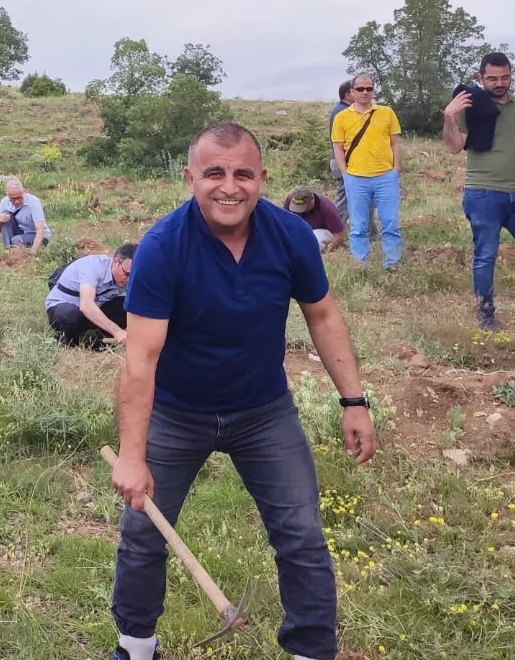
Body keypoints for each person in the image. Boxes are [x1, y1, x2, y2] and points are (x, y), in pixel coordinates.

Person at [109, 122, 376, 660]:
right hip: (176, 413)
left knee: (301, 534)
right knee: (142, 535)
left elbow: (322, 315)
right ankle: (136, 649)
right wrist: (133, 457)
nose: (229, 187)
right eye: (214, 173)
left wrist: (353, 400)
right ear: (190, 179)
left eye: (243, 174)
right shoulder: (163, 248)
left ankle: (310, 651)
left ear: (262, 179)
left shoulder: (291, 236)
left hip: (263, 411)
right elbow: (139, 360)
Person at [442, 51, 515, 330]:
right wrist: (450, 116)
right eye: (492, 78)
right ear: (480, 78)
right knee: (486, 255)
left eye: (505, 77)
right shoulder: (469, 108)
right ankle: (486, 315)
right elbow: (453, 147)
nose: (499, 83)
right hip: (484, 194)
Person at [331, 74, 402, 269]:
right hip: (356, 178)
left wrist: (396, 169)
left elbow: (395, 142)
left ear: (373, 91)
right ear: (352, 92)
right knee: (358, 226)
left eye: (368, 89)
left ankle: (392, 264)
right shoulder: (341, 117)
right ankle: (360, 264)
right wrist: (345, 174)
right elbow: (338, 147)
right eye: (360, 89)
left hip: (385, 177)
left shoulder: (386, 112)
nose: (365, 92)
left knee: (390, 223)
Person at [46, 245, 137, 348]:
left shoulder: (128, 276)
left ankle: (94, 337)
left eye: (134, 275)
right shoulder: (92, 266)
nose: (129, 279)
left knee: (129, 307)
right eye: (127, 274)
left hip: (95, 310)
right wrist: (117, 331)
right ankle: (73, 339)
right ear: (116, 261)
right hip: (64, 307)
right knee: (71, 316)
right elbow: (86, 305)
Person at [0, 178, 50, 252]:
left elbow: (40, 230)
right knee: (5, 217)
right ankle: (9, 251)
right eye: (13, 199)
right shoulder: (4, 202)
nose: (17, 201)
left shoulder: (33, 202)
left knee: (16, 240)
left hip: (37, 235)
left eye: (19, 197)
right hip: (20, 232)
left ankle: (16, 251)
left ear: (24, 192)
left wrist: (33, 252)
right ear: (7, 195)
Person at [284, 186, 345, 252]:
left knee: (311, 243)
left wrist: (328, 249)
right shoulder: (291, 200)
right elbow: (284, 223)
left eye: (303, 207)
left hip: (320, 232)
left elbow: (339, 236)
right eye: (297, 207)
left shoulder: (326, 208)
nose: (299, 210)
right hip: (300, 231)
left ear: (312, 201)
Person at [328, 81, 353, 222]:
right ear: (348, 94)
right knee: (344, 201)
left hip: (339, 160)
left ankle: (370, 231)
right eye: (356, 90)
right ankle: (334, 230)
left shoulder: (338, 110)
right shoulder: (345, 112)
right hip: (344, 160)